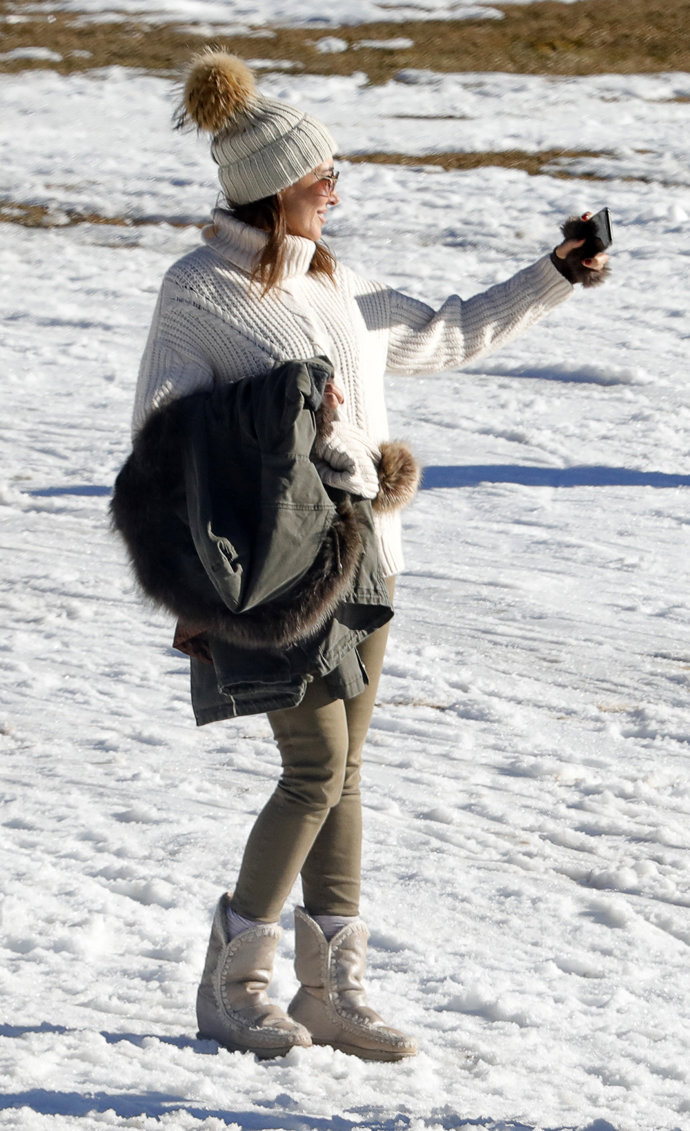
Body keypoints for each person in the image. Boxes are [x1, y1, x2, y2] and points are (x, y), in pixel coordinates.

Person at [129, 49, 609, 1062]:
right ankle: (232, 985)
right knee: (314, 767)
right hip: (274, 575)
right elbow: (162, 438)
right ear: (272, 188)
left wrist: (555, 273)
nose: (335, 190)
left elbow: (446, 334)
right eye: (321, 177)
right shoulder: (199, 291)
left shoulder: (334, 280)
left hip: (368, 557)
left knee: (344, 777)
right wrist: (279, 422)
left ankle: (330, 993)